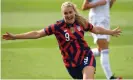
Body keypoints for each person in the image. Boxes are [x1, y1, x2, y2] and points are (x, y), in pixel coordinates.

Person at [2, 1, 121, 80]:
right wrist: (15, 36)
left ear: (74, 12)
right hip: (71, 65)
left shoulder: (81, 22)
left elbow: (96, 29)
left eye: (70, 12)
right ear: (62, 14)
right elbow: (37, 33)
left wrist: (111, 32)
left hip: (86, 56)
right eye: (66, 13)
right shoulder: (57, 27)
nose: (69, 15)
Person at [82, 0, 122, 79]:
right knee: (104, 49)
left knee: (101, 50)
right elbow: (84, 6)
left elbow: (107, 7)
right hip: (97, 21)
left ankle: (83, 55)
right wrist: (98, 3)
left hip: (105, 20)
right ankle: (110, 77)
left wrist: (111, 2)